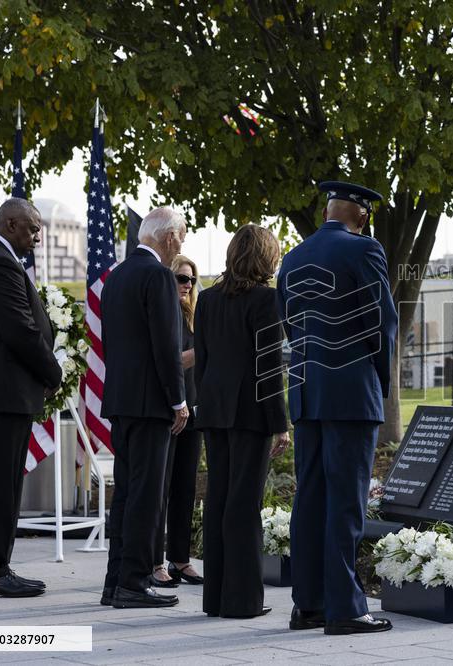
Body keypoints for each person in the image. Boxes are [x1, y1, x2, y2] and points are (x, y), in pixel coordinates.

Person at [277, 181, 398, 635]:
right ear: (361, 214)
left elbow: (289, 321)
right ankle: (345, 608)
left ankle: (308, 604)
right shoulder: (365, 251)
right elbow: (382, 323)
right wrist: (376, 382)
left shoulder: (293, 256)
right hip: (349, 393)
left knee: (309, 499)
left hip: (308, 392)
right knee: (347, 502)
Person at [0, 198, 62, 598]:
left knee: (1, 483)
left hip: (2, 391)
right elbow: (19, 330)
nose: (37, 236)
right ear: (12, 224)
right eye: (33, 229)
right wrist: (53, 373)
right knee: (0, 485)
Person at [194, 224, 291, 618]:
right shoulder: (266, 300)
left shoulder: (207, 299)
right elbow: (269, 368)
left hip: (215, 409)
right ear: (266, 258)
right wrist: (280, 423)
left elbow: (202, 360)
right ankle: (244, 601)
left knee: (218, 501)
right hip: (249, 411)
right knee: (244, 505)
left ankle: (216, 597)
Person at [100, 207, 188, 609]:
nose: (180, 247)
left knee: (126, 494)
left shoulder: (116, 276)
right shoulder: (157, 276)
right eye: (181, 238)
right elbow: (166, 348)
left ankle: (115, 579)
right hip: (151, 404)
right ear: (168, 238)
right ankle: (134, 584)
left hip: (120, 401)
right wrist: (179, 400)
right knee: (146, 497)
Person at [151, 255, 204, 588]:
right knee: (162, 487)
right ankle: (155, 560)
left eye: (192, 280)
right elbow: (167, 362)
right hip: (169, 409)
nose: (187, 285)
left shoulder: (194, 318)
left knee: (186, 486)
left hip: (195, 410)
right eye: (181, 278)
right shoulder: (162, 314)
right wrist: (203, 351)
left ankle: (180, 558)